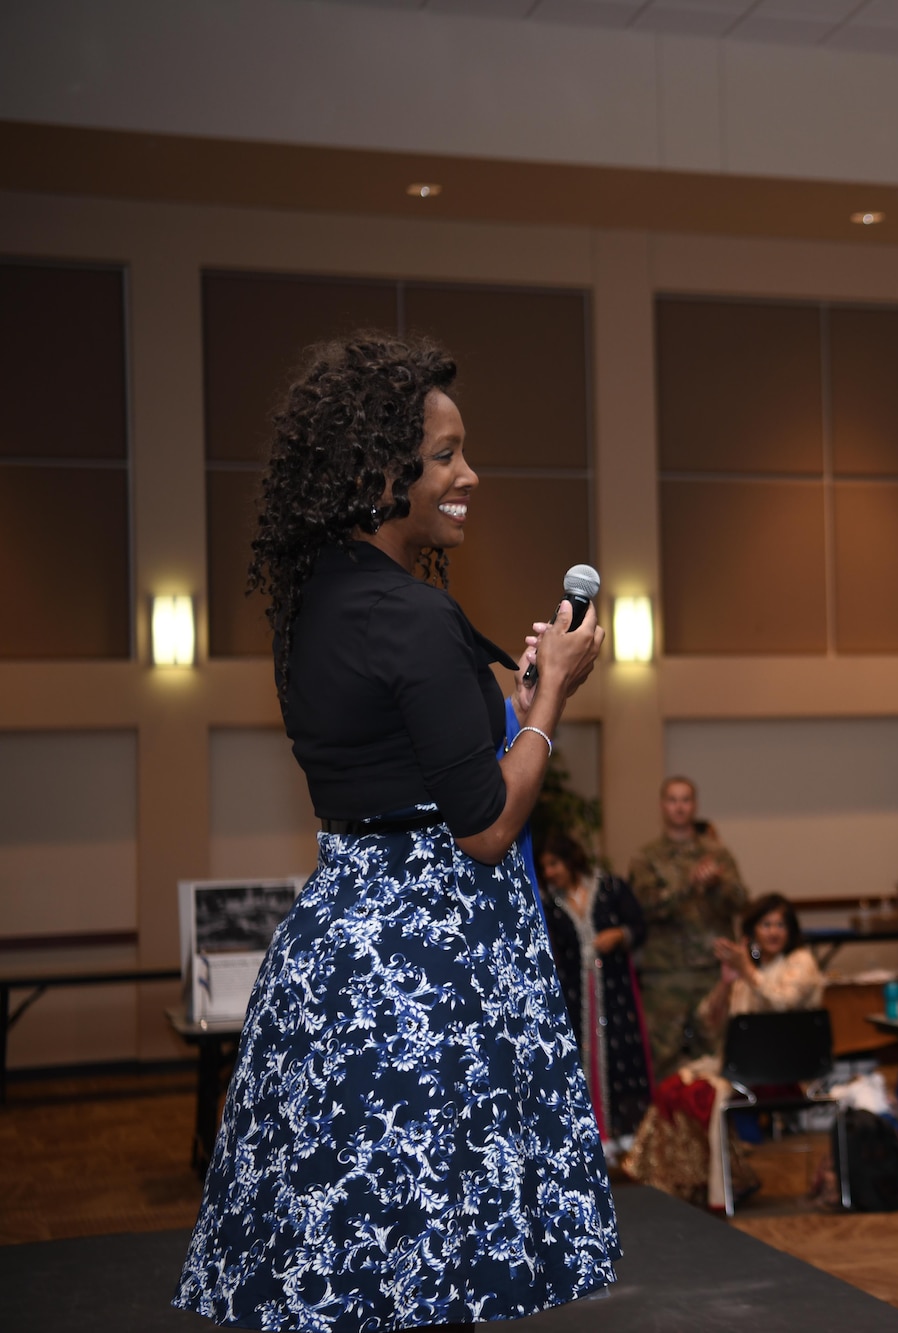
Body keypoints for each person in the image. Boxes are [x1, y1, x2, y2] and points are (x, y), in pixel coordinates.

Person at [175, 334, 616, 1330]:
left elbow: (402, 754)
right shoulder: (411, 616)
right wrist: (552, 704)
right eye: (446, 453)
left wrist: (519, 682)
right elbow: (486, 825)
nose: (469, 474)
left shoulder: (314, 605)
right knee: (432, 1256)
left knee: (346, 1263)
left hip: (340, 963)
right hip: (429, 982)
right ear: (380, 467)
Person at [625, 894, 826, 1211]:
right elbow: (709, 1023)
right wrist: (725, 984)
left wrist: (746, 968)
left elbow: (781, 1002)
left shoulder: (801, 962)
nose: (774, 931)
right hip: (743, 1066)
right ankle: (682, 1184)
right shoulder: (753, 969)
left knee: (702, 1096)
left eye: (780, 925)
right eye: (766, 924)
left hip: (785, 1068)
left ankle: (725, 1184)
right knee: (672, 1090)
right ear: (752, 931)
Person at [539, 829, 653, 1150]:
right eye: (545, 867)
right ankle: (596, 1135)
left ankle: (629, 1132)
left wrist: (618, 935)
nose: (549, 873)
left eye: (554, 864)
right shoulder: (551, 905)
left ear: (571, 860)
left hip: (616, 991)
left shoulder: (610, 888)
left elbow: (639, 927)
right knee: (583, 1056)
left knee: (623, 1054)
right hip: (577, 996)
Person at [628, 776, 749, 1073]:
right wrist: (689, 884)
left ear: (694, 806)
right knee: (664, 1060)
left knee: (717, 1055)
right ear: (662, 806)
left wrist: (717, 883)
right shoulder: (647, 857)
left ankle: (715, 1120)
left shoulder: (717, 854)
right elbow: (642, 908)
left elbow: (742, 902)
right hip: (666, 977)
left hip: (712, 971)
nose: (679, 807)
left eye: (686, 800)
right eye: (673, 800)